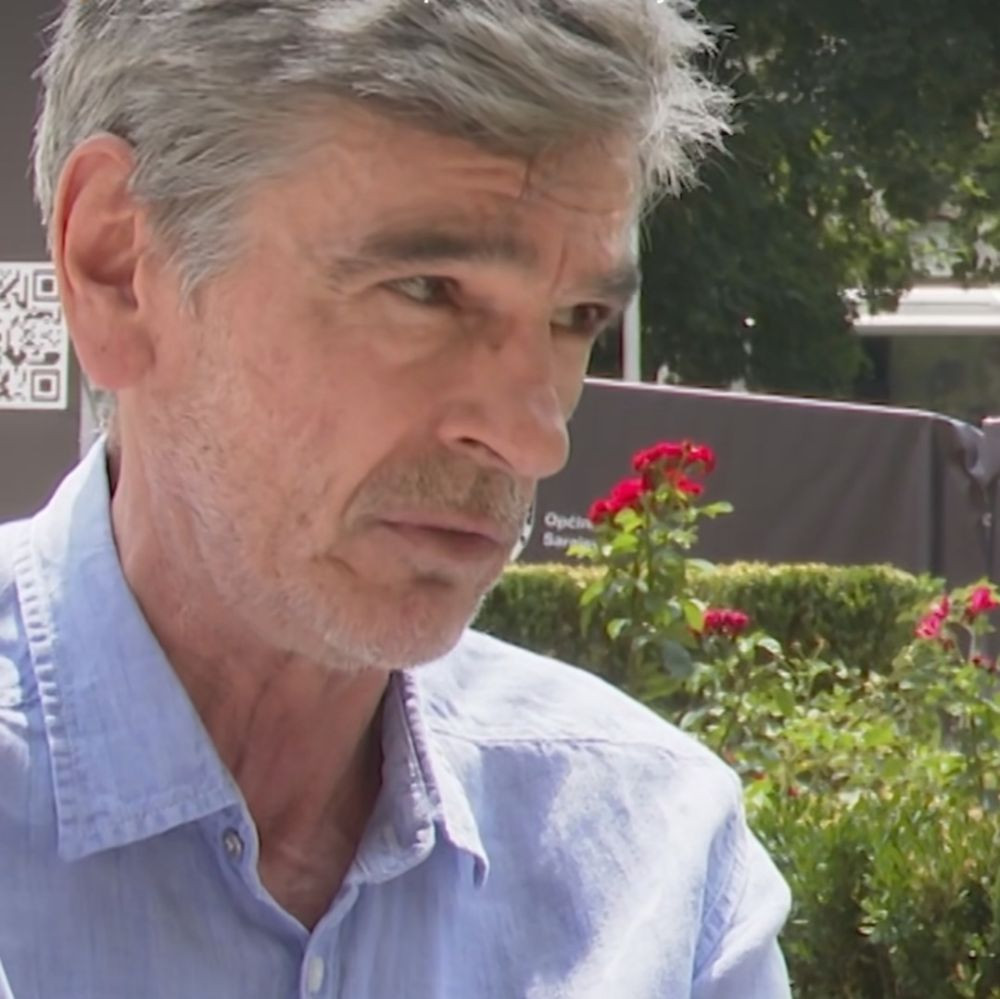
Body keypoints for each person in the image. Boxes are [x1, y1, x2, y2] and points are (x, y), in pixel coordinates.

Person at [0, 1, 792, 996]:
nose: (532, 437)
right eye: (428, 290)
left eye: (576, 317)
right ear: (118, 268)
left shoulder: (656, 866)